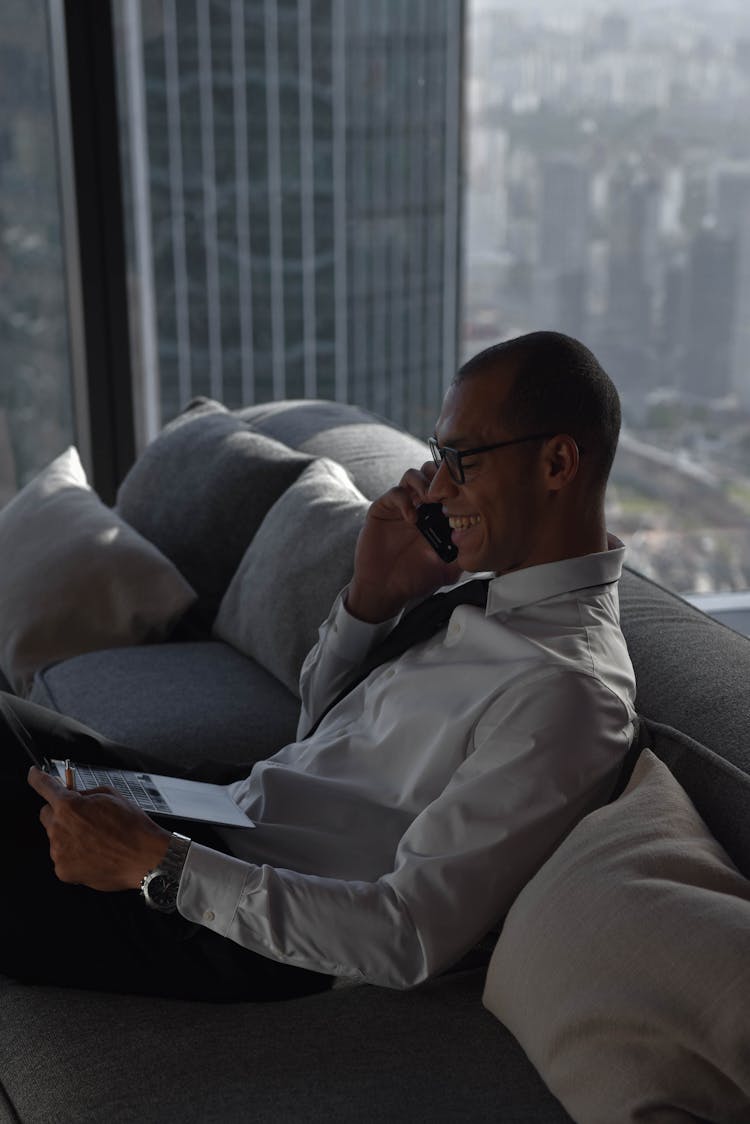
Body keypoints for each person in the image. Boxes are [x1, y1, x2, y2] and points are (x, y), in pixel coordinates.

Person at [2, 330, 637, 1002]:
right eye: (436, 457)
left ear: (558, 463)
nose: (439, 488)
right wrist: (373, 599)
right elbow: (321, 741)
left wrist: (157, 864)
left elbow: (408, 933)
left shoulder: (570, 695)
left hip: (230, 924)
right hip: (224, 809)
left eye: (463, 460)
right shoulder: (482, 595)